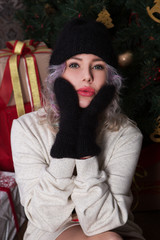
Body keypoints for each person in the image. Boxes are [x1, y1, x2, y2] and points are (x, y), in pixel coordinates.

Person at [11, 18, 145, 240]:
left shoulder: (127, 134)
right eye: (74, 64)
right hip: (51, 230)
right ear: (58, 75)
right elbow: (44, 218)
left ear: (110, 78)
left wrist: (85, 146)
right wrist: (68, 132)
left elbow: (105, 222)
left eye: (98, 66)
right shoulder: (26, 129)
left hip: (112, 228)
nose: (87, 76)